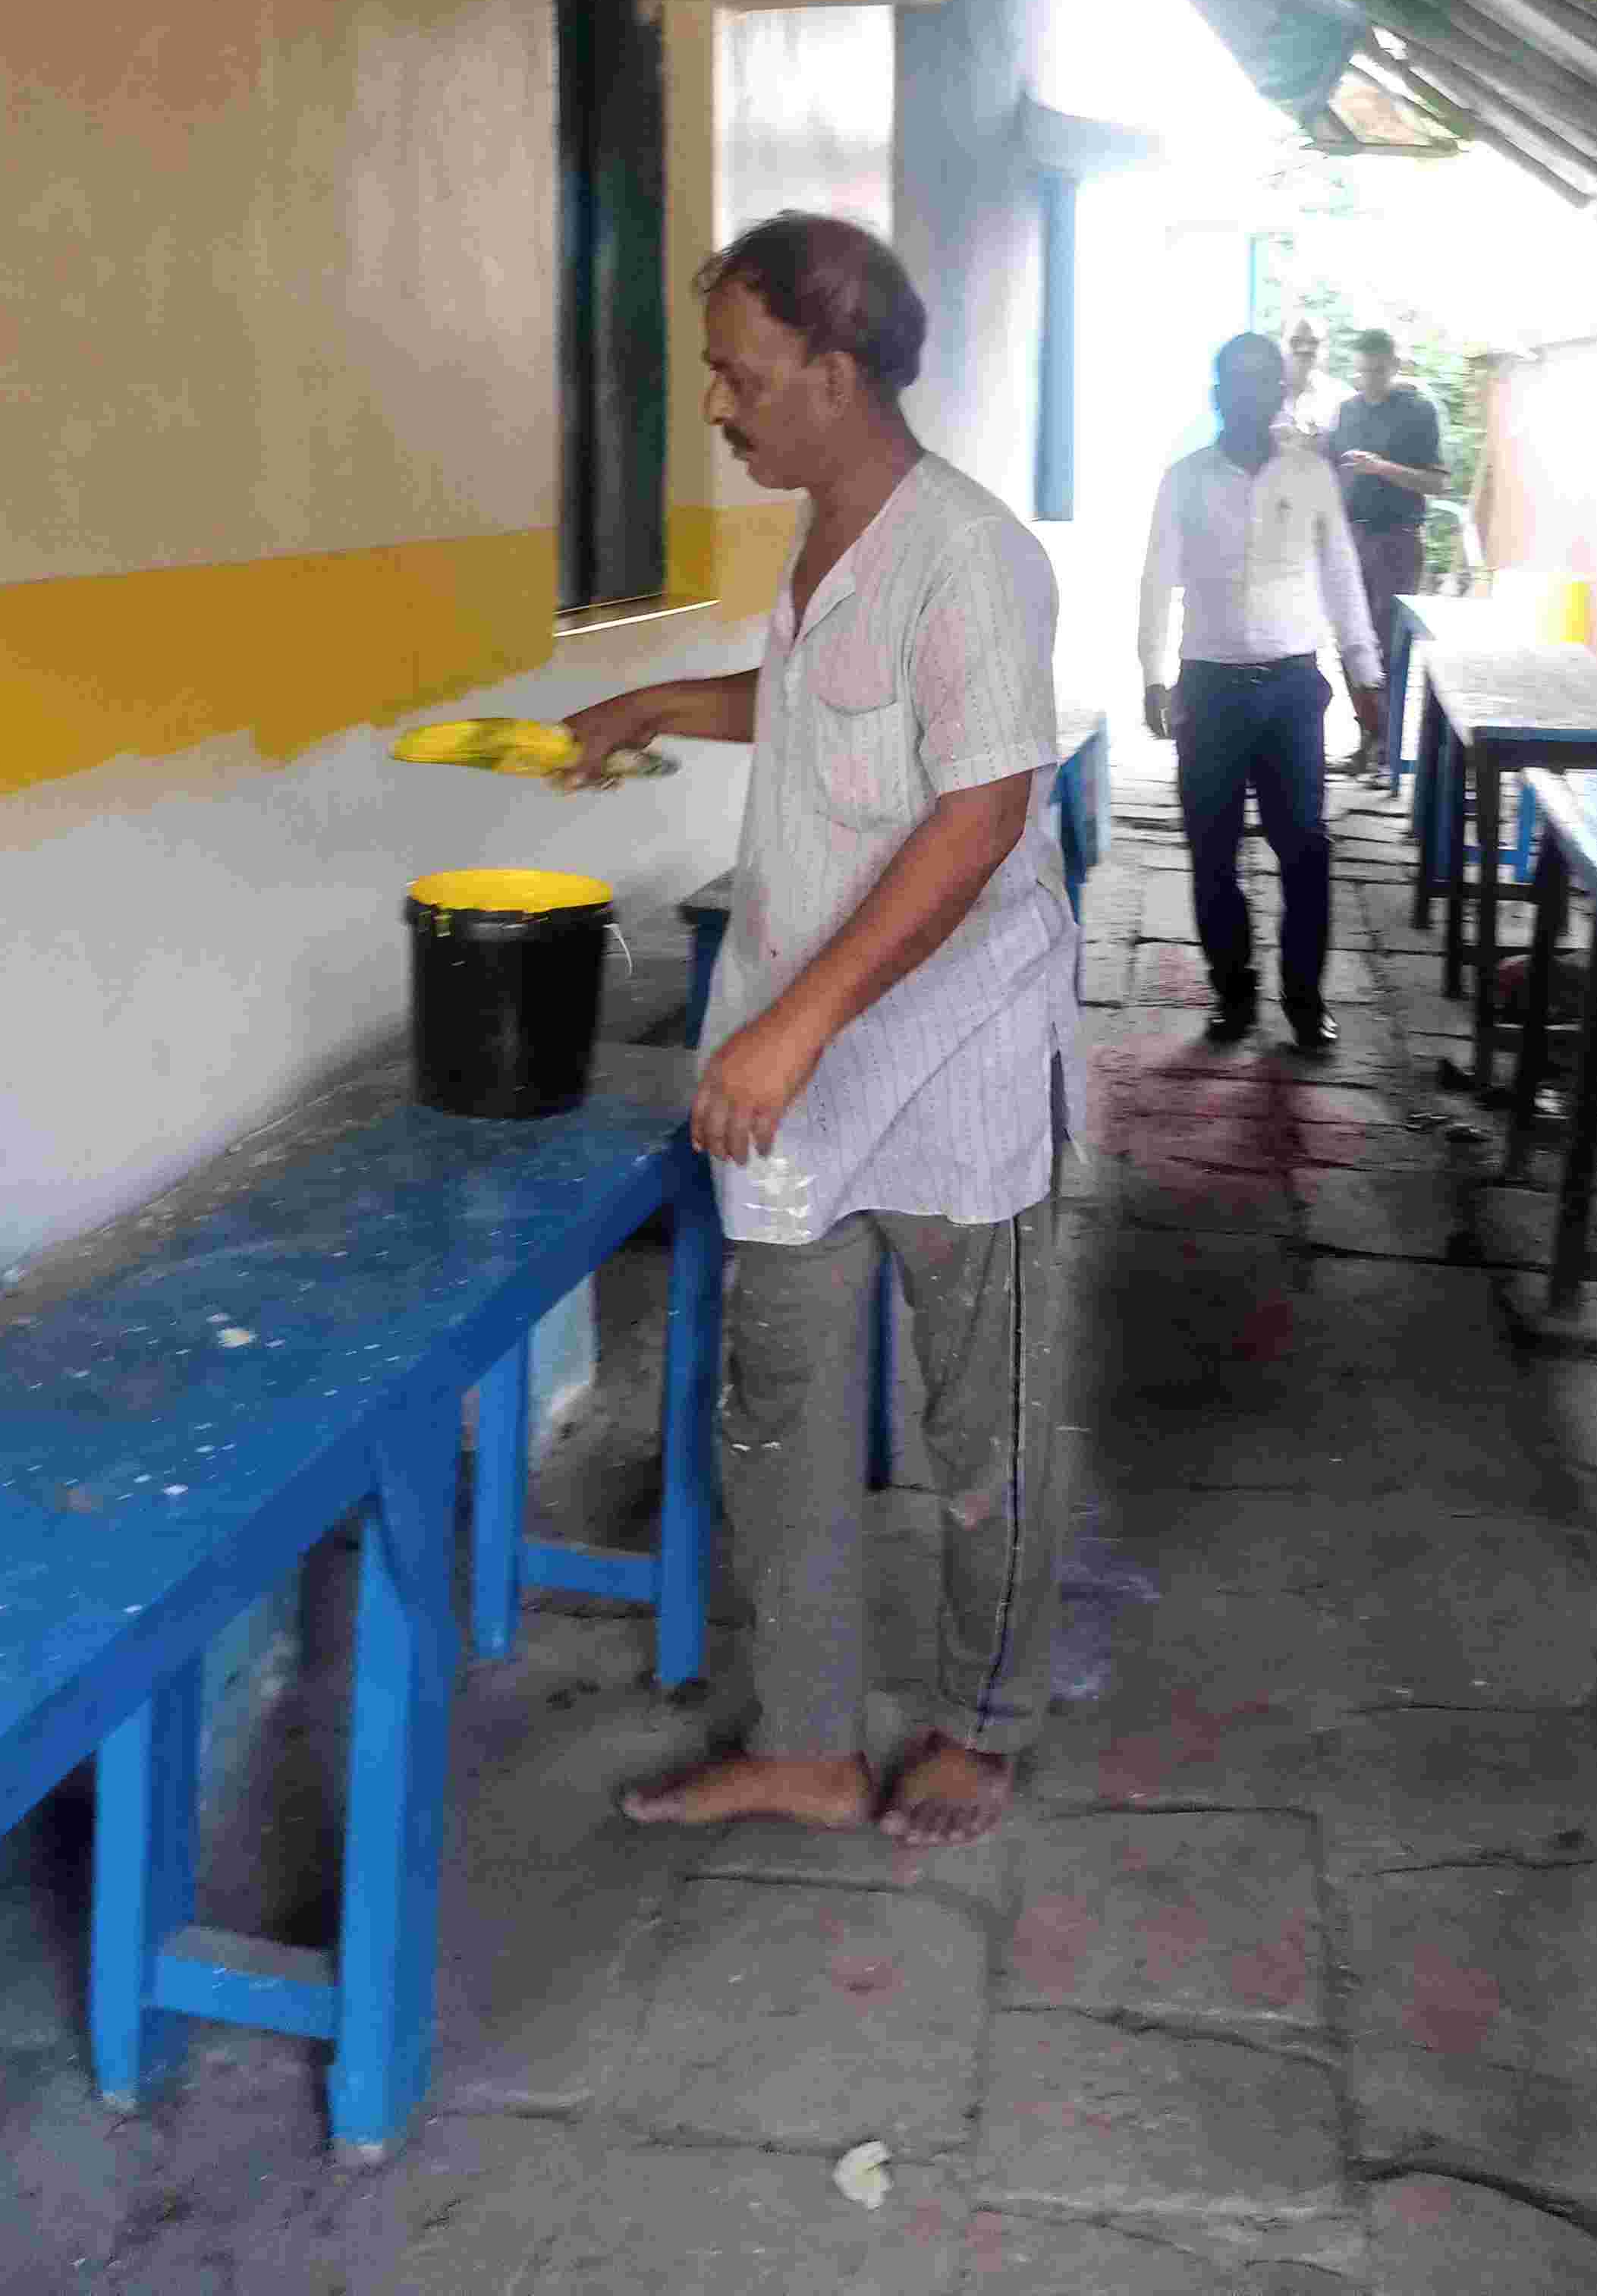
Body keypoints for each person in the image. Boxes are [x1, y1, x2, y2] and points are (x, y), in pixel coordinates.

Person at [564, 213, 1074, 1849]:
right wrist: (662, 702)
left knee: (978, 1416)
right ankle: (802, 1741)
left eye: (742, 373)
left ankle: (980, 1722)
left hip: (947, 1055)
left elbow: (980, 813)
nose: (718, 406)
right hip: (798, 1053)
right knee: (777, 1405)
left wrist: (793, 1028)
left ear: (839, 373)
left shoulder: (967, 555)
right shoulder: (828, 532)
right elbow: (826, 710)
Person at [1139, 333, 1381, 1055]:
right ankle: (1233, 992)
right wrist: (1152, 672)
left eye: (1262, 381)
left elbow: (1341, 574)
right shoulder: (1184, 480)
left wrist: (1365, 673)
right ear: (1217, 394)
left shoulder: (1311, 476)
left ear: (1281, 392)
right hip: (1209, 689)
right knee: (1211, 848)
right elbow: (1156, 579)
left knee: (1304, 846)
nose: (1249, 393)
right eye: (1235, 381)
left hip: (1291, 690)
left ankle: (1305, 999)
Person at [1331, 330, 1451, 778]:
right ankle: (1369, 741)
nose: (1370, 380)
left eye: (1379, 371)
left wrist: (1380, 467)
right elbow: (1330, 465)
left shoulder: (1419, 411)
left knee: (1387, 646)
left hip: (1398, 541)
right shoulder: (1347, 411)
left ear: (1395, 366)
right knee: (1350, 642)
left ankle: (1389, 749)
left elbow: (1437, 483)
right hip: (1349, 539)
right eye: (1363, 372)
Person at [1275, 318, 1351, 447]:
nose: (1305, 348)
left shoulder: (1342, 397)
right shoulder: (1261, 393)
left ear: (1324, 348)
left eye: (1313, 342)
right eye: (1295, 341)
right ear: (1281, 344)